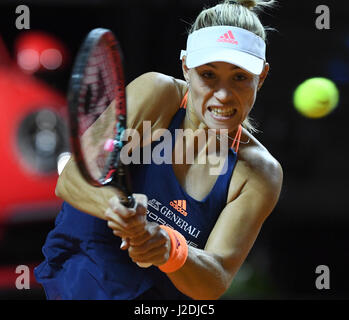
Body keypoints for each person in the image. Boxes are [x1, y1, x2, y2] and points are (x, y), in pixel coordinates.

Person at [34, 0, 283, 300]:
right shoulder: (156, 93)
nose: (223, 94)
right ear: (185, 67)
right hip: (82, 276)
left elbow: (215, 279)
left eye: (240, 77)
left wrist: (169, 249)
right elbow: (71, 178)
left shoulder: (259, 173)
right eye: (208, 74)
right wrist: (121, 212)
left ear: (263, 77)